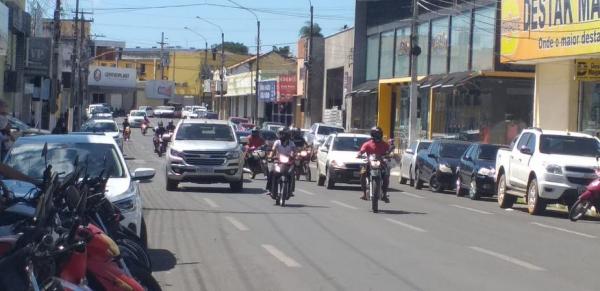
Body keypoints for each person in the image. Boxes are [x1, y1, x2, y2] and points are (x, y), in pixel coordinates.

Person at [357, 127, 391, 203]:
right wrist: (359, 154)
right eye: (375, 134)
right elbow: (361, 150)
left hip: (381, 163)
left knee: (386, 175)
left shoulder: (384, 144)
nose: (377, 135)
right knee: (362, 173)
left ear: (381, 134)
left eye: (378, 134)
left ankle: (384, 195)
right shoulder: (367, 144)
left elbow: (389, 151)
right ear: (372, 134)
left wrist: (389, 155)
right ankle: (364, 194)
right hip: (369, 163)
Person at [266, 128, 296, 196]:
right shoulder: (277, 142)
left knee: (292, 174)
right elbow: (273, 150)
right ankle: (270, 189)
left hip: (288, 162)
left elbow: (294, 151)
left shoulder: (291, 143)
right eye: (280, 134)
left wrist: (294, 155)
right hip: (278, 161)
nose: (281, 136)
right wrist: (270, 156)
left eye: (283, 134)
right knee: (271, 172)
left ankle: (291, 190)